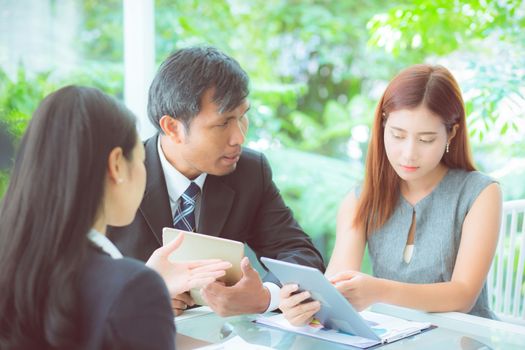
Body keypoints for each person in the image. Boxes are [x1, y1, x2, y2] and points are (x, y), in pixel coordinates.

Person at [0, 86, 230, 349]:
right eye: (141, 161)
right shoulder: (131, 288)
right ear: (117, 164)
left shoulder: (16, 264)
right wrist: (142, 287)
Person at [107, 46, 325, 317]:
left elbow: (300, 253)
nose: (239, 137)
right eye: (223, 124)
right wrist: (140, 294)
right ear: (172, 127)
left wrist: (265, 297)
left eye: (242, 116)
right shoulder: (115, 177)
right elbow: (63, 281)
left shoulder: (249, 171)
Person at [279, 64, 502, 326]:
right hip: (396, 337)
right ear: (383, 125)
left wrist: (379, 291)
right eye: (398, 135)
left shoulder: (480, 193)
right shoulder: (361, 198)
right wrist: (306, 305)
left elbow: (463, 295)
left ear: (451, 133)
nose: (409, 153)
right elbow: (337, 282)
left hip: (465, 339)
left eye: (426, 139)